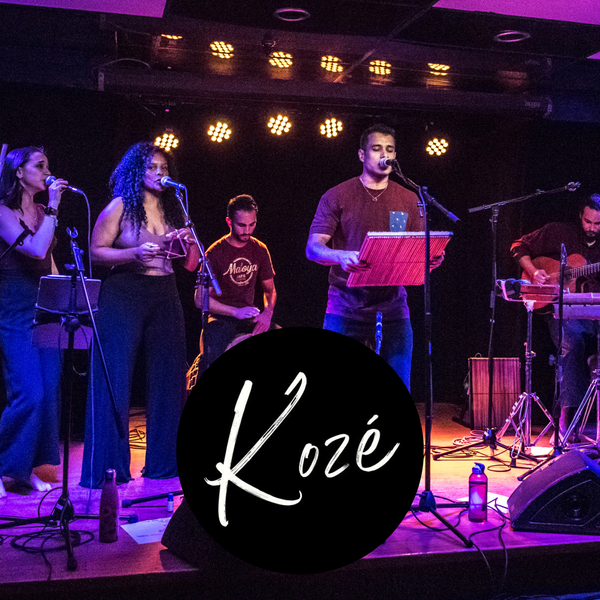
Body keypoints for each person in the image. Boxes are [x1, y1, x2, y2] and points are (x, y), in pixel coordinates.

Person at [80, 142, 199, 489]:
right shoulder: (120, 205)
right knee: (114, 377)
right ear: (136, 171)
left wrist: (188, 241)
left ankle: (164, 465)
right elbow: (95, 252)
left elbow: (191, 265)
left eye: (164, 168)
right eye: (152, 167)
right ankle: (107, 469)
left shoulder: (174, 209)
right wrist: (133, 253)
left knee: (169, 377)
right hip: (124, 292)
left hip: (165, 292)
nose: (160, 174)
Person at [306, 124, 444, 391]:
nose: (384, 154)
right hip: (345, 307)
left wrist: (429, 261)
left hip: (393, 308)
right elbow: (313, 249)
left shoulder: (410, 198)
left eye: (390, 149)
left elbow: (416, 252)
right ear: (362, 154)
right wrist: (340, 256)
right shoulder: (337, 195)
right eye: (377, 148)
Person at [0, 147, 68, 498]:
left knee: (49, 391)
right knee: (29, 391)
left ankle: (23, 469)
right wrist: (54, 206)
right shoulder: (2, 211)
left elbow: (49, 260)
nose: (47, 171)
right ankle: (3, 465)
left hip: (45, 305)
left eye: (47, 164)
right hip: (14, 306)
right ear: (18, 171)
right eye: (39, 165)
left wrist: (64, 300)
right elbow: (35, 250)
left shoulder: (42, 211)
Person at [510, 194, 600, 442]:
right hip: (562, 312)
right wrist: (533, 271)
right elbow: (518, 246)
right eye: (588, 221)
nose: (591, 228)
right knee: (571, 343)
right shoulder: (559, 231)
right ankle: (566, 422)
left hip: (594, 312)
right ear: (580, 216)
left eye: (597, 224)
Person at [194, 194, 276, 375]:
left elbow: (270, 291)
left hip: (248, 316)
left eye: (252, 224)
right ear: (229, 222)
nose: (247, 230)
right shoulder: (214, 253)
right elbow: (200, 299)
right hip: (220, 318)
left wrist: (267, 314)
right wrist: (235, 312)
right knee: (212, 357)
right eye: (242, 225)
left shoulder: (260, 249)